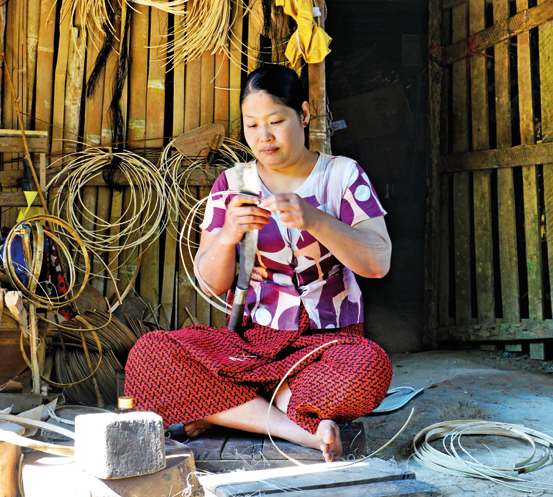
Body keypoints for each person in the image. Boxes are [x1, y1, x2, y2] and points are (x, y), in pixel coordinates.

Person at [125, 65, 393, 462]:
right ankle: (300, 430)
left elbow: (377, 263)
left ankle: (231, 408)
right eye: (252, 125)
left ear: (302, 115)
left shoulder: (342, 174)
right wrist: (228, 234)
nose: (263, 137)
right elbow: (212, 283)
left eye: (275, 121)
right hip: (252, 343)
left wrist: (316, 219)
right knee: (149, 354)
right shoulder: (232, 186)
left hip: (330, 342)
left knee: (370, 369)